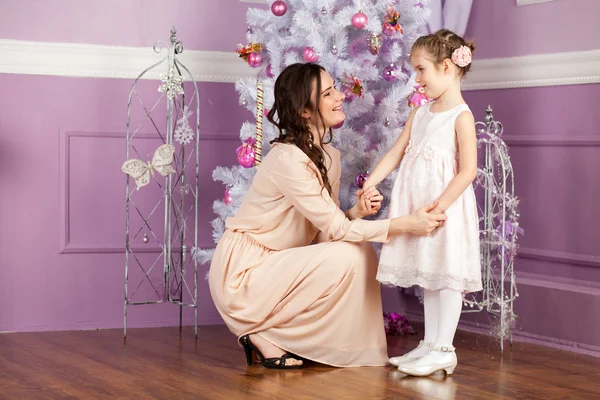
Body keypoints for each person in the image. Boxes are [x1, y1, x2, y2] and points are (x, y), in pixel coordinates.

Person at [208, 62, 446, 369]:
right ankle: (261, 331)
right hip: (244, 272)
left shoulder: (327, 155)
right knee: (351, 256)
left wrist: (356, 211)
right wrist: (405, 225)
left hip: (279, 264)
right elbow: (335, 230)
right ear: (305, 111)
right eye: (329, 93)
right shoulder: (288, 159)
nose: (341, 97)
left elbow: (325, 232)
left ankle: (294, 338)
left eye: (336, 89)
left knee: (357, 253)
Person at [362, 29, 481, 376]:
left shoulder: (461, 116)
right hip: (421, 210)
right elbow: (396, 152)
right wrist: (371, 180)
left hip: (444, 211)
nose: (416, 78)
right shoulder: (420, 114)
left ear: (446, 66)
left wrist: (438, 206)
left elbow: (468, 171)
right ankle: (430, 344)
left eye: (421, 69)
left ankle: (445, 348)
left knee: (448, 276)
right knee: (429, 275)